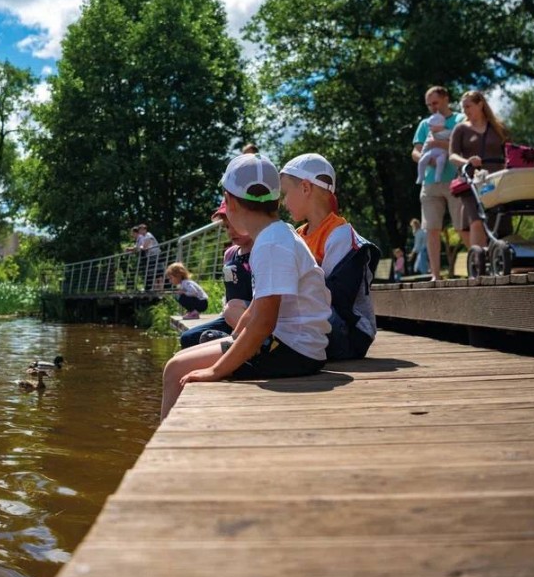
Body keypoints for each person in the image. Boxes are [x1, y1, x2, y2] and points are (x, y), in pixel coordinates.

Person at [160, 154, 331, 420]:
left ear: (229, 202)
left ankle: (167, 454)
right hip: (292, 347)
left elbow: (264, 322)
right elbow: (257, 308)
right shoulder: (275, 234)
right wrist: (234, 337)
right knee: (188, 352)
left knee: (174, 369)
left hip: (293, 351)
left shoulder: (271, 244)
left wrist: (216, 370)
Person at [279, 153, 379, 361]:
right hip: (318, 323)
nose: (282, 202)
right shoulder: (298, 235)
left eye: (285, 193)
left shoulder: (341, 235)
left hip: (350, 335)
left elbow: (335, 297)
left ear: (306, 188)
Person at [178, 200, 253, 349]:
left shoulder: (262, 248)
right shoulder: (230, 254)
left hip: (252, 316)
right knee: (188, 338)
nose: (230, 231)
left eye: (235, 224)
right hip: (229, 317)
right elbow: (230, 288)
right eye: (226, 226)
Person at [412, 85, 465, 280]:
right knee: (431, 229)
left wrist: (438, 144)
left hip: (456, 180)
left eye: (435, 102)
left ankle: (480, 268)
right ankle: (435, 275)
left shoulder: (459, 120)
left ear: (445, 99)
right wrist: (425, 158)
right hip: (430, 183)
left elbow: (462, 146)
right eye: (428, 105)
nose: (432, 108)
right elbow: (415, 151)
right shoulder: (425, 124)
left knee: (462, 226)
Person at [448, 90, 511, 251]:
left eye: (468, 106)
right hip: (471, 181)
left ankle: (498, 257)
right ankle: (479, 263)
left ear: (480, 104)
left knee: (497, 219)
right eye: (463, 107)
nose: (465, 110)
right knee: (476, 219)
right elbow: (452, 155)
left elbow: (510, 151)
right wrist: (467, 161)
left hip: (496, 179)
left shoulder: (498, 128)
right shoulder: (460, 129)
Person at [416, 112, 452, 184]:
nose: (429, 128)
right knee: (422, 161)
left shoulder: (449, 132)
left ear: (439, 125)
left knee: (440, 162)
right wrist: (423, 153)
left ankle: (437, 178)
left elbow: (453, 142)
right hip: (432, 151)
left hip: (443, 152)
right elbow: (426, 144)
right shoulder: (431, 134)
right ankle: (421, 176)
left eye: (431, 126)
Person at [135, 223, 162, 290]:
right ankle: (155, 288)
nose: (139, 232)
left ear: (144, 229)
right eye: (139, 230)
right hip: (150, 256)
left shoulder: (148, 235)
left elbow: (144, 247)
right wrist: (141, 247)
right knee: (154, 273)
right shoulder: (144, 237)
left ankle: (160, 289)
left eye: (140, 230)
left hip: (155, 255)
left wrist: (140, 247)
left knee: (158, 272)